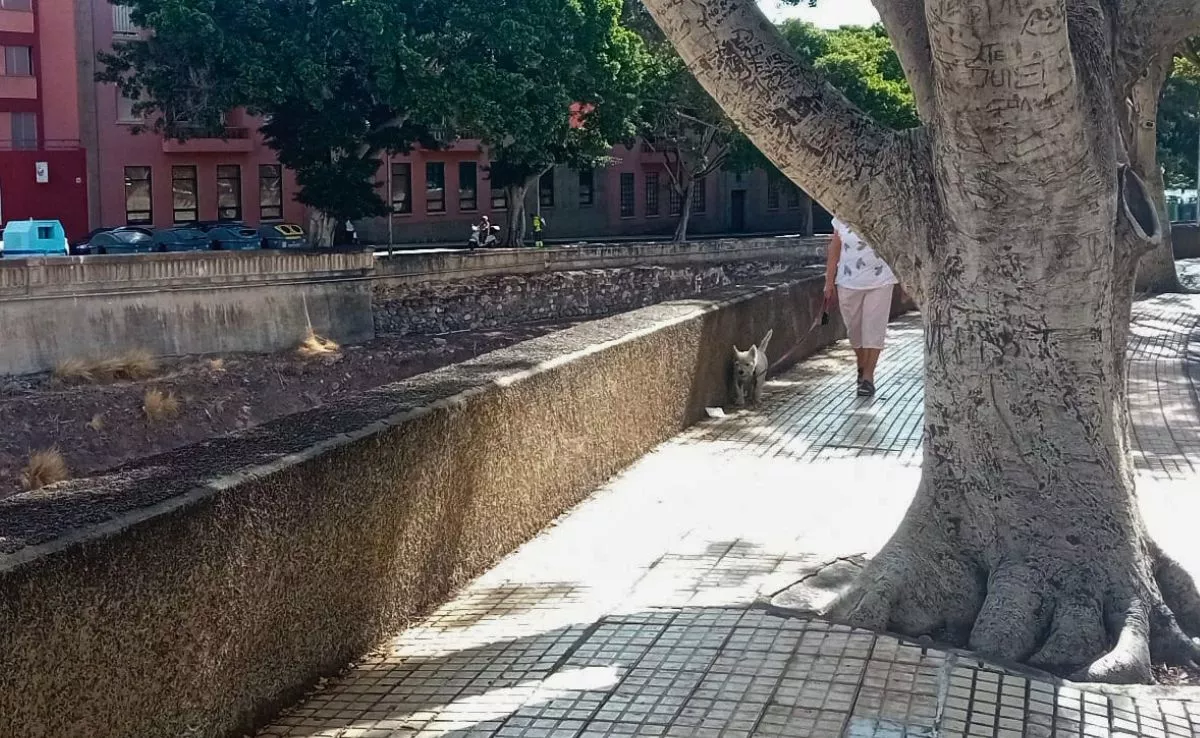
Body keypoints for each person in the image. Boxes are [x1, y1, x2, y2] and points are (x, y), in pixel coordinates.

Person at [823, 216, 898, 397]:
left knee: (874, 329)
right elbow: (835, 248)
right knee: (854, 331)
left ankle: (868, 377)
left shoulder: (885, 215)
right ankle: (862, 364)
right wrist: (829, 281)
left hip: (881, 280)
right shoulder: (841, 216)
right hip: (848, 281)